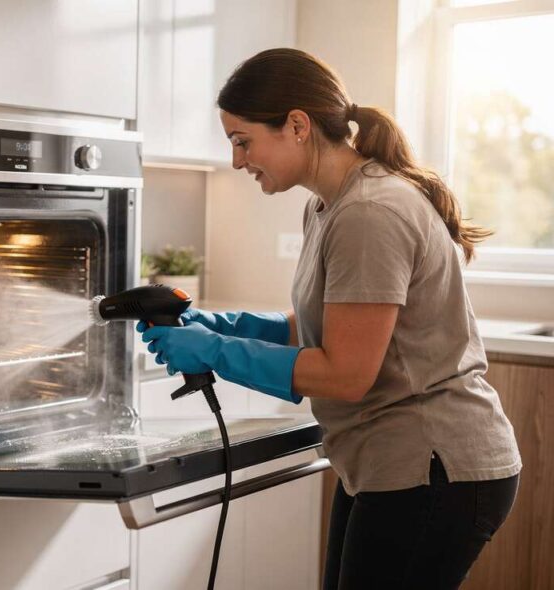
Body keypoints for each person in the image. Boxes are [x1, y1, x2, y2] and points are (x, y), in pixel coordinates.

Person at [138, 48, 521, 590]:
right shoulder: (328, 205)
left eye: (242, 140)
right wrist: (226, 326)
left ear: (297, 125)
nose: (237, 161)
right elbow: (319, 327)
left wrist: (215, 353)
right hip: (390, 463)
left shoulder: (370, 211)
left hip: (434, 466)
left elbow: (346, 373)